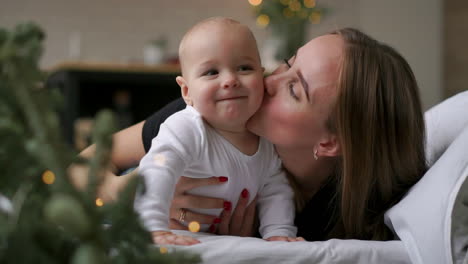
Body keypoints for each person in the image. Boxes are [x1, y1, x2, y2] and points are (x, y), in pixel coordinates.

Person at [77, 27, 427, 241]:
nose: (267, 80)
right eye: (288, 63)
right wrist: (123, 191)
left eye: (295, 89)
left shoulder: (344, 224)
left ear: (330, 142)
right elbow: (77, 166)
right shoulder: (205, 119)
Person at [133, 17, 299, 246]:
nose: (230, 80)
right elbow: (156, 170)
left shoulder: (266, 139)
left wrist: (278, 232)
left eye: (244, 68)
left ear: (262, 77)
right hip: (153, 216)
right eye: (211, 72)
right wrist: (153, 226)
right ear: (187, 91)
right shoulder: (187, 127)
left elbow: (276, 190)